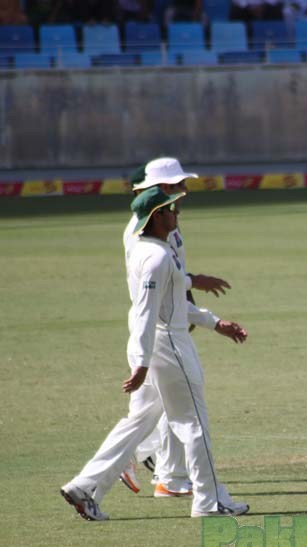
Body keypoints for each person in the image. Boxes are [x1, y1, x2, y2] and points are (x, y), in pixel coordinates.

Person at [61, 187, 250, 520]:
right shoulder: (156, 257)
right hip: (169, 348)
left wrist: (215, 323)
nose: (177, 214)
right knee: (194, 424)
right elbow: (147, 314)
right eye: (171, 209)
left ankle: (85, 487)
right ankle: (208, 502)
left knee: (139, 423)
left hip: (162, 345)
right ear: (156, 217)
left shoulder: (154, 251)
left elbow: (172, 303)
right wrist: (142, 363)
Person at [118, 157, 231, 499]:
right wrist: (186, 311)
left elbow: (177, 273)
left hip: (170, 320)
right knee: (157, 411)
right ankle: (139, 465)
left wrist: (191, 308)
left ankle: (165, 473)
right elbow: (154, 286)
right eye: (178, 184)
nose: (184, 189)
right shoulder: (142, 230)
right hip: (157, 327)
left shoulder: (169, 222)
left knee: (162, 409)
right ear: (161, 188)